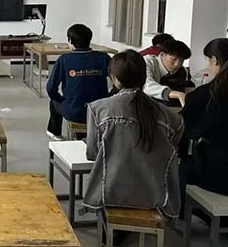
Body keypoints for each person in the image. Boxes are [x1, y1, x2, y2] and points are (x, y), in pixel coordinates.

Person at [84, 50, 183, 219]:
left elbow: (93, 154)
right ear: (144, 78)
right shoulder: (172, 117)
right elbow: (171, 152)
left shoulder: (98, 108)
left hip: (110, 192)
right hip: (157, 195)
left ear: (114, 78)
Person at [179, 39, 228, 215]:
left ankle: (182, 216)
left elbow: (184, 130)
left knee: (181, 167)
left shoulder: (208, 94)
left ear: (214, 60)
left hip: (220, 173)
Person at [45, 24, 111, 140]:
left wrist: (63, 101)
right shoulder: (103, 57)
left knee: (54, 103)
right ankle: (82, 134)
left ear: (70, 41)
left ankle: (55, 132)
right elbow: (120, 80)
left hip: (74, 112)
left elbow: (50, 88)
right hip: (101, 111)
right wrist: (109, 97)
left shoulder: (64, 59)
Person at [143, 38, 192, 106]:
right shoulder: (147, 62)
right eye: (174, 59)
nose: (177, 64)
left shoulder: (182, 71)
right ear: (162, 54)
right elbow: (146, 85)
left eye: (181, 60)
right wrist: (175, 94)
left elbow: (186, 89)